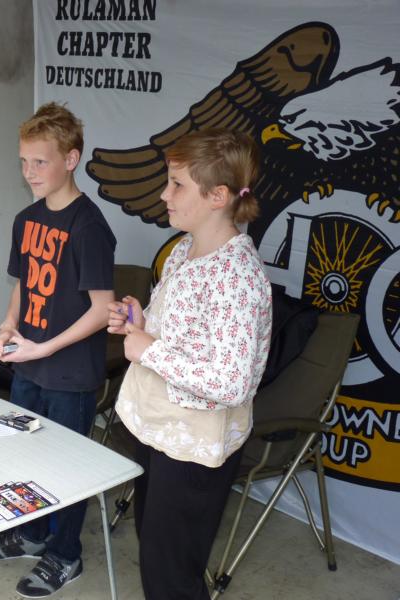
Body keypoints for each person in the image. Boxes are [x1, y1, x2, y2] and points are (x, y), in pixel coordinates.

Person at [107, 128, 272, 600]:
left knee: (172, 576)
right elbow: (183, 336)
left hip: (193, 448)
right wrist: (143, 322)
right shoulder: (185, 248)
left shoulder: (238, 278)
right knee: (157, 553)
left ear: (218, 196)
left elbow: (231, 381)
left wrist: (148, 350)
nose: (164, 194)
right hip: (161, 431)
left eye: (177, 184)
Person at [0, 102, 116, 598]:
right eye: (24, 161)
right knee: (26, 456)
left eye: (40, 162)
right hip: (30, 367)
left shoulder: (89, 226)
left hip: (70, 373)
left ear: (71, 159)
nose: (29, 172)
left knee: (66, 466)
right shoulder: (27, 219)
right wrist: (9, 327)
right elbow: (22, 285)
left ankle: (65, 554)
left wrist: (44, 348)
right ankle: (34, 534)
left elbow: (103, 309)